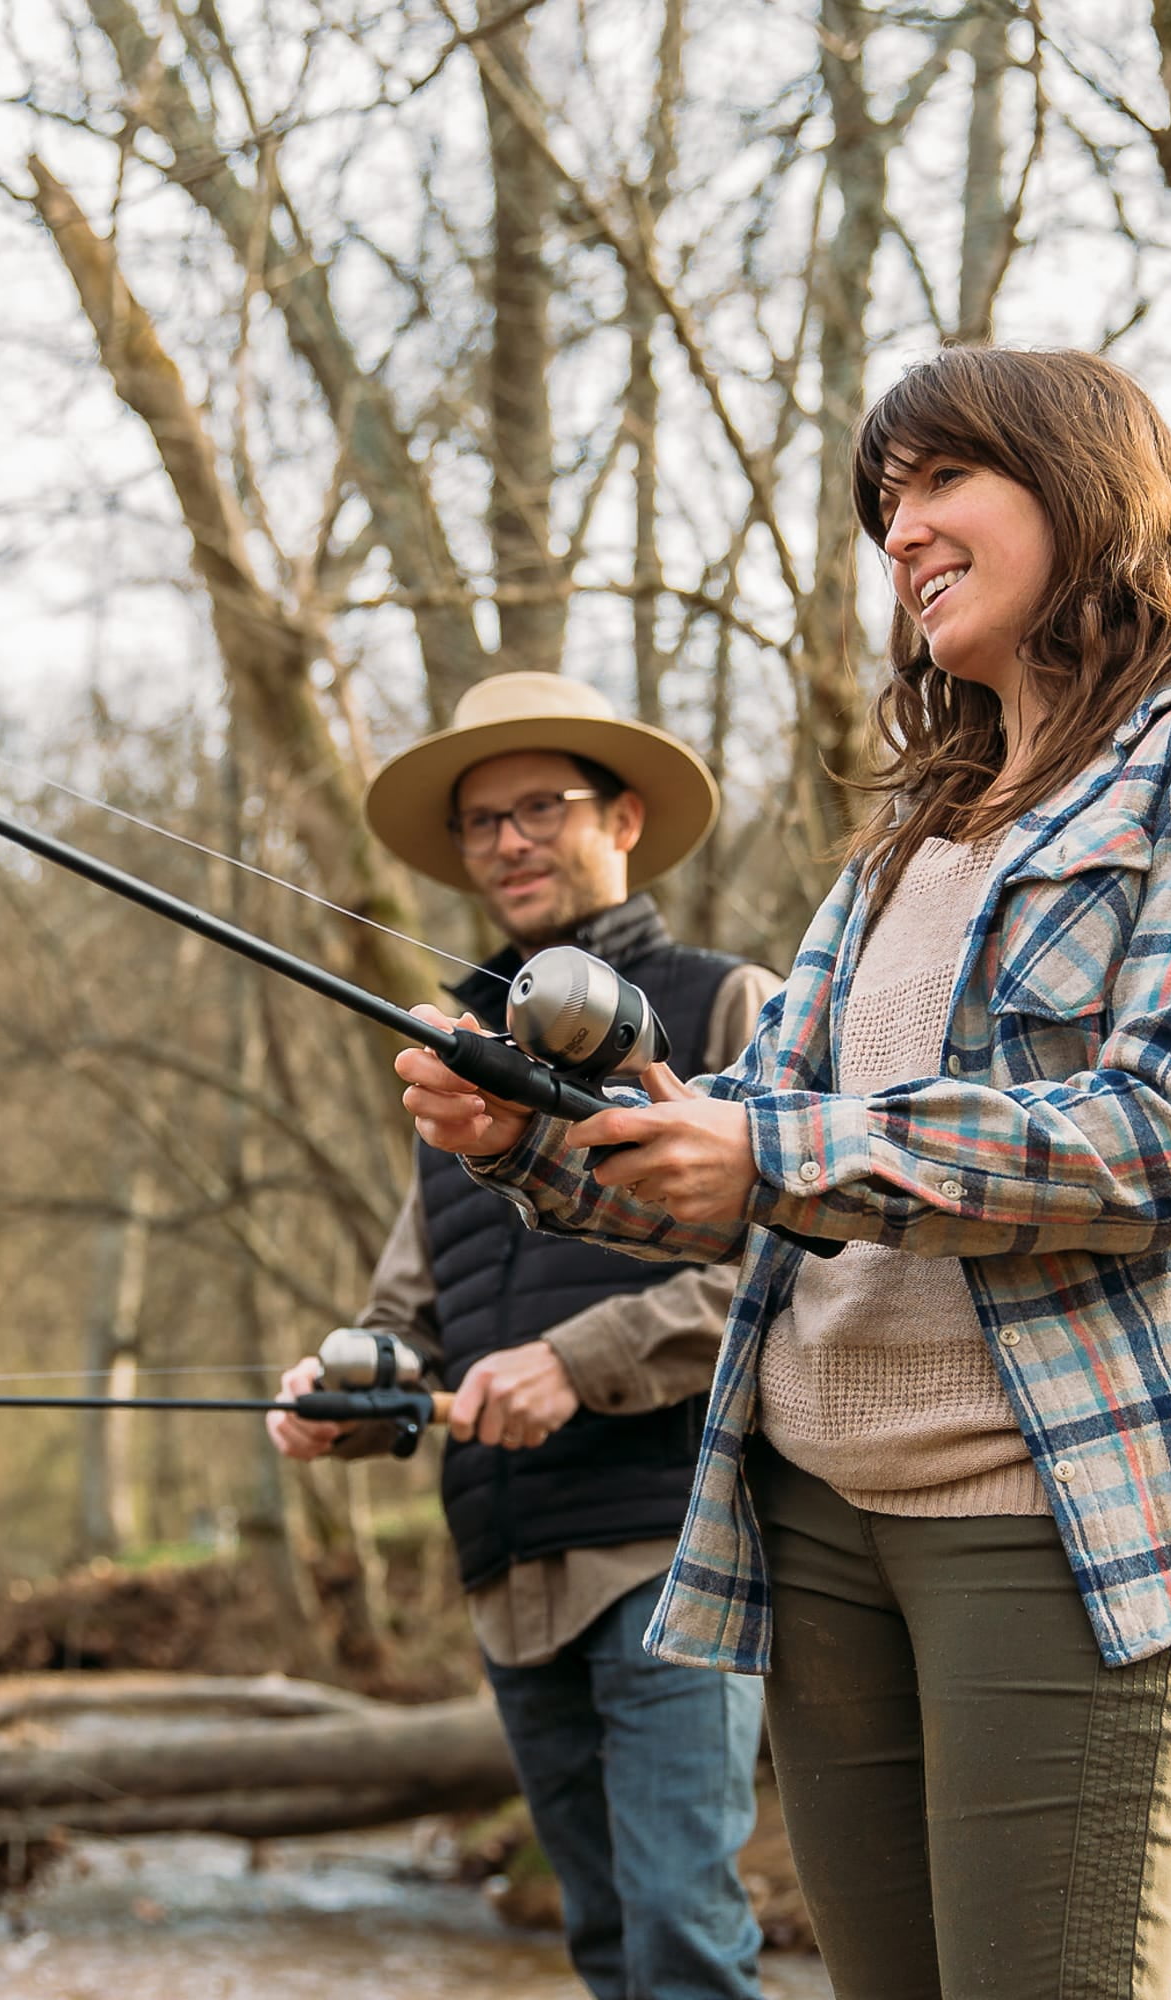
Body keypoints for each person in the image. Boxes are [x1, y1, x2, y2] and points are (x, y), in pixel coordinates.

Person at [391, 348, 1171, 2000]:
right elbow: (754, 1151)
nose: (901, 532)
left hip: (1054, 1506)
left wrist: (769, 1143)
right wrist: (542, 1146)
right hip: (809, 1511)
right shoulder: (913, 833)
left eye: (940, 485)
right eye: (884, 505)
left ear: (1086, 490)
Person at [268, 670, 776, 2000]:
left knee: (683, 1936)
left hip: (677, 1544)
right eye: (481, 823)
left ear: (622, 813)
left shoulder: (727, 1008)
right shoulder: (446, 1065)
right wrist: (339, 1389)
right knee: (609, 1950)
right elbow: (405, 1312)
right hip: (507, 1567)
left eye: (538, 807)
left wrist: (578, 1363)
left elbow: (800, 1267)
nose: (507, 841)